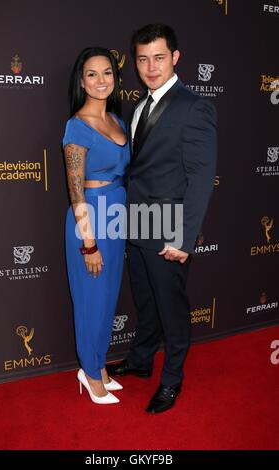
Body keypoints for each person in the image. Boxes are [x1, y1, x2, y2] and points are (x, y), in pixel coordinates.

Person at [107, 24, 217, 413]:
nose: (150, 67)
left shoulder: (194, 107)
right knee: (145, 300)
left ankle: (172, 380)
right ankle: (140, 361)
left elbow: (202, 179)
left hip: (168, 225)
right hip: (138, 220)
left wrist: (184, 239)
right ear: (134, 62)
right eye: (142, 59)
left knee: (171, 306)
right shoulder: (139, 106)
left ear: (175, 57)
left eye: (158, 57)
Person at [63, 47, 130, 404]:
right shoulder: (76, 126)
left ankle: (100, 364)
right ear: (81, 80)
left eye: (107, 73)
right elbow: (75, 192)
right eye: (92, 74)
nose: (101, 80)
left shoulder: (119, 121)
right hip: (90, 217)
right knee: (91, 298)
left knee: (108, 296)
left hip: (118, 213)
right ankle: (89, 372)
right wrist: (89, 243)